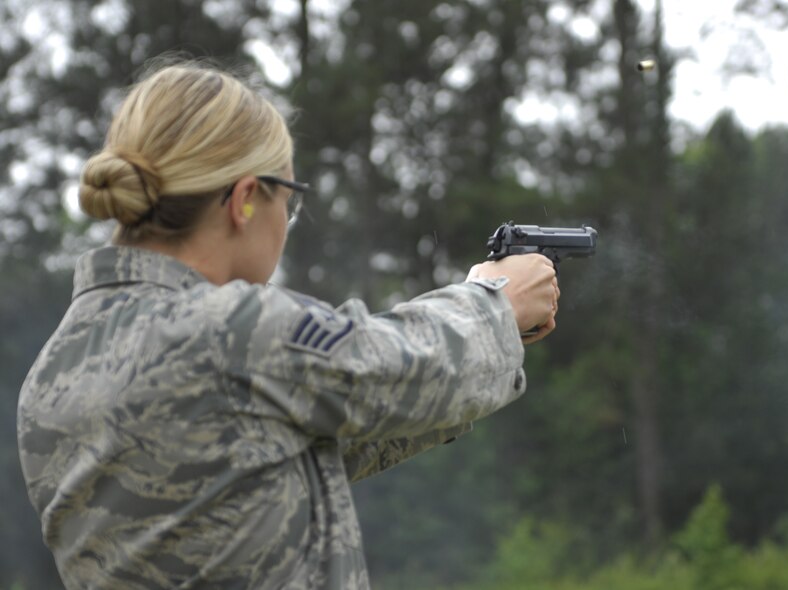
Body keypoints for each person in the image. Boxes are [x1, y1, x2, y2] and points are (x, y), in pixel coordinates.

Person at [17, 61, 560, 590]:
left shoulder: (51, 375)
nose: (287, 224)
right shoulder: (232, 329)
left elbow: (324, 433)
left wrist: (487, 327)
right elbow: (396, 369)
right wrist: (496, 303)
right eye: (290, 201)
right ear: (246, 200)